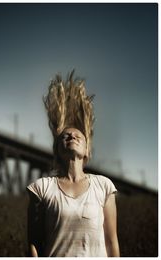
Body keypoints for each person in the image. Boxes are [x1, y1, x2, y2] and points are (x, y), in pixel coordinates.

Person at [26, 71, 120, 257]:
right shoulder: (42, 187)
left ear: (87, 151)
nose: (72, 136)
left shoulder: (104, 186)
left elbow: (111, 241)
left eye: (78, 136)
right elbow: (34, 243)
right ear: (57, 149)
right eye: (65, 136)